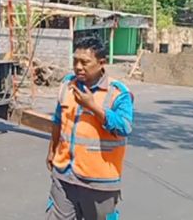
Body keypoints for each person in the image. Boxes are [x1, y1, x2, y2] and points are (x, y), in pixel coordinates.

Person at [45, 36, 134, 220]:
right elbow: (57, 120)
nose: (78, 67)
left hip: (99, 181)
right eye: (75, 61)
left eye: (85, 62)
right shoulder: (67, 85)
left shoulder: (118, 93)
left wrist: (93, 106)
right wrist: (52, 150)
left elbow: (124, 127)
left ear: (102, 63)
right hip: (64, 175)